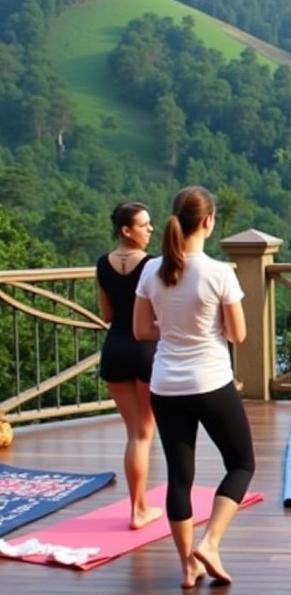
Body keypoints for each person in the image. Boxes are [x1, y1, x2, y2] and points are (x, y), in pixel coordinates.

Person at [133, 186, 255, 589]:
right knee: (241, 464)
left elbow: (140, 329)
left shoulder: (151, 270)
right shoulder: (219, 272)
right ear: (207, 222)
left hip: (165, 384)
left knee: (179, 477)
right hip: (211, 382)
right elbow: (238, 334)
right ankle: (212, 542)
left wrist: (171, 327)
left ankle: (188, 566)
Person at [96, 201, 160, 530]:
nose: (150, 230)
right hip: (145, 349)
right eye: (144, 225)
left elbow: (106, 315)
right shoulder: (151, 265)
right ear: (126, 230)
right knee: (144, 434)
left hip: (115, 349)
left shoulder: (102, 264)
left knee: (132, 433)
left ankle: (137, 506)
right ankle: (140, 510)